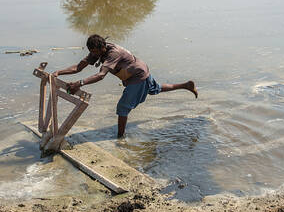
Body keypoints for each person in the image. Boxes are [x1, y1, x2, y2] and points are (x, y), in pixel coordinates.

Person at [54, 35, 197, 138]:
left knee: (122, 108)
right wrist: (58, 72)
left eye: (96, 52)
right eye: (92, 52)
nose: (93, 55)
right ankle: (186, 85)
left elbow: (101, 75)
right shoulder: (97, 50)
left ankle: (120, 138)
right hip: (139, 70)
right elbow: (79, 67)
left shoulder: (112, 53)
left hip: (137, 77)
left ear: (103, 47)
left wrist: (80, 83)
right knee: (155, 89)